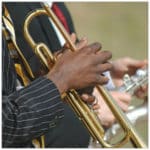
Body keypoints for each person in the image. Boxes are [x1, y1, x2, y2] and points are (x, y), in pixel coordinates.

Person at [2, 2, 147, 148]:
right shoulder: (15, 8)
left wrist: (106, 77)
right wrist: (85, 115)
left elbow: (39, 74)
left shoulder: (54, 5)